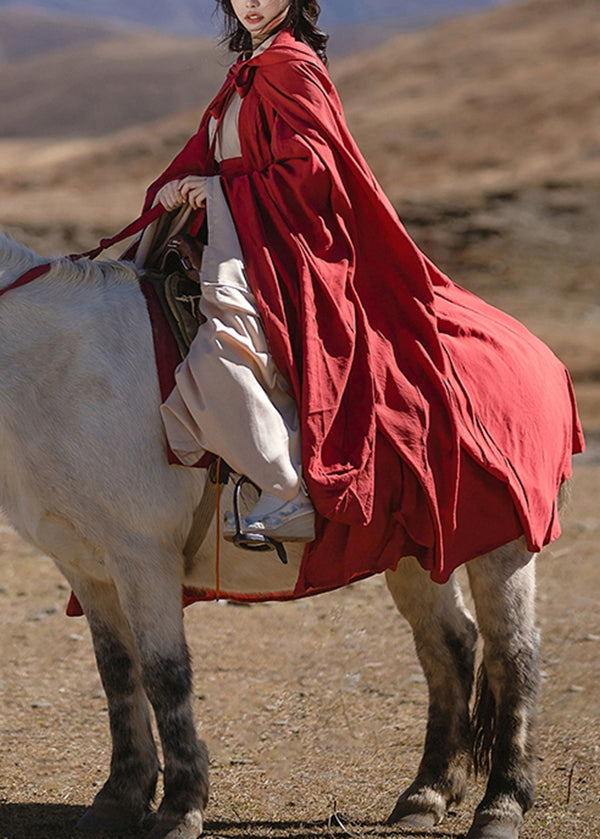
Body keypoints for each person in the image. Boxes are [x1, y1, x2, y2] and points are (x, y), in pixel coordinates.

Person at [129, 0, 583, 585]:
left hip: (286, 244)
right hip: (239, 233)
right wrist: (174, 189)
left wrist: (214, 192)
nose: (253, 2)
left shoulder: (291, 68)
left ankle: (283, 487)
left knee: (229, 340)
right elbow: (209, 155)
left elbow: (311, 176)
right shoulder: (248, 72)